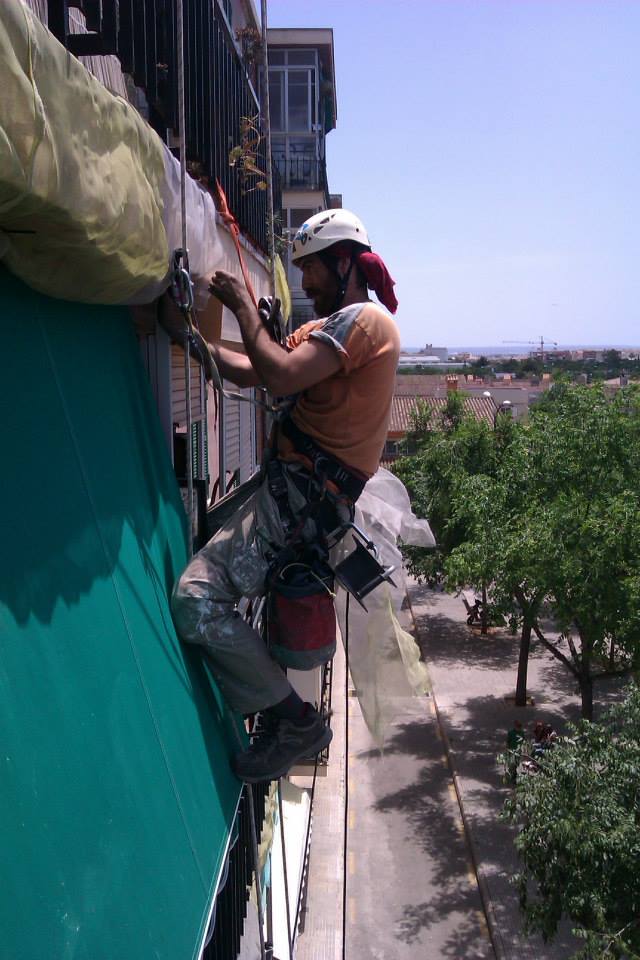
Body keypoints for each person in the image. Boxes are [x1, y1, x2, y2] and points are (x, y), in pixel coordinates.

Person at [171, 209, 401, 782]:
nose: (305, 283)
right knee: (208, 578)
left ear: (344, 262)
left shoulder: (362, 324)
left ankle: (293, 718)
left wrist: (245, 311)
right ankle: (283, 710)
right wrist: (190, 339)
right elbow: (254, 369)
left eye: (313, 270)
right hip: (297, 497)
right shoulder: (332, 327)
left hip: (302, 500)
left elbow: (277, 374)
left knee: (196, 599)